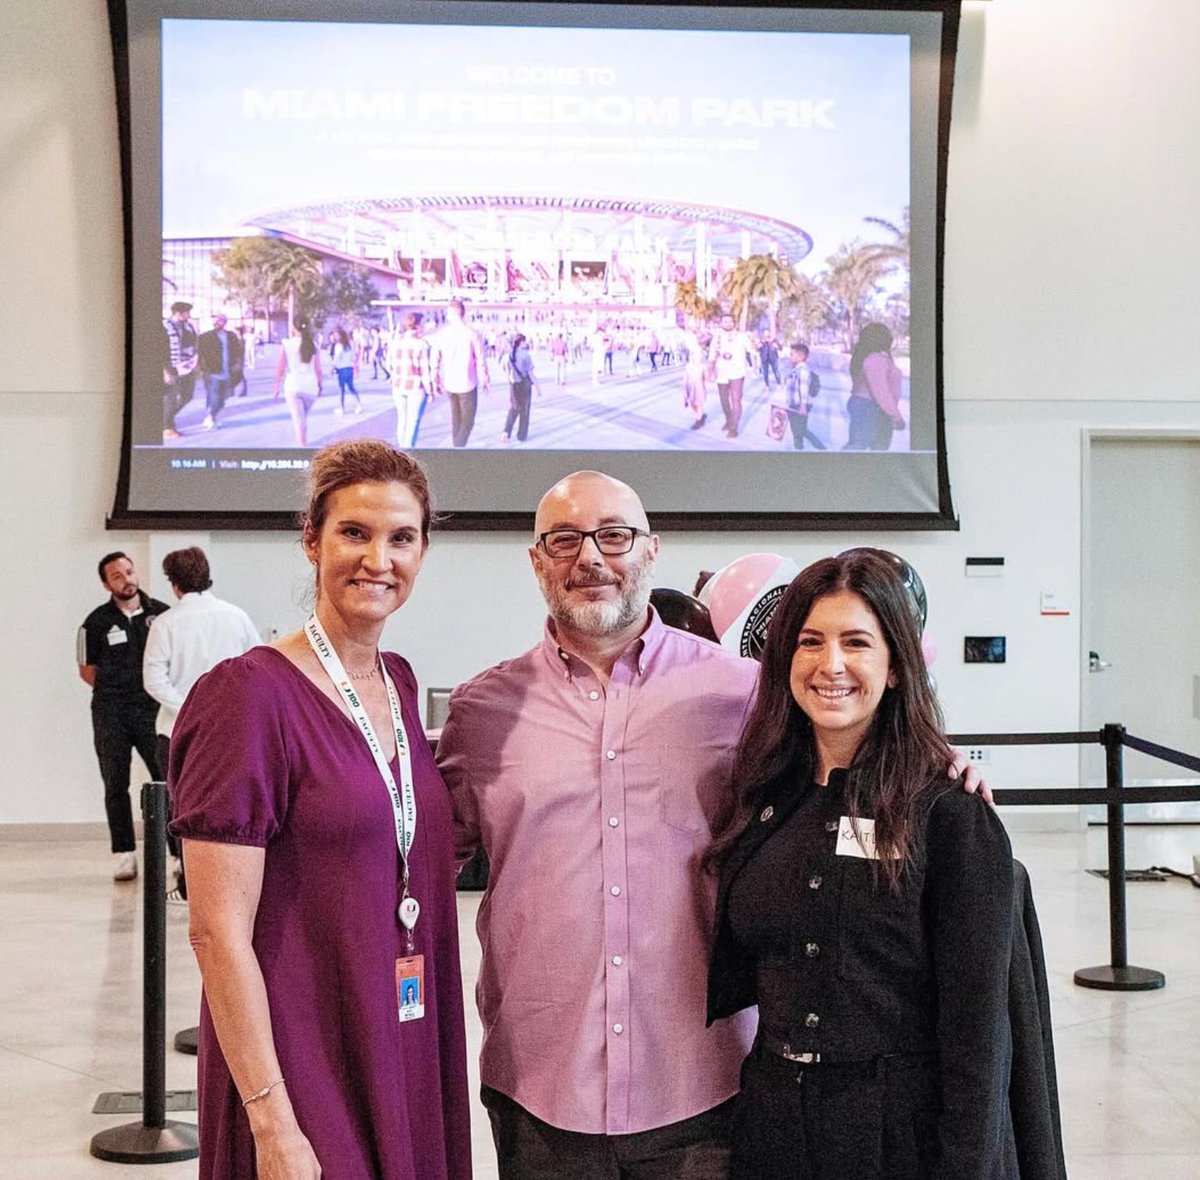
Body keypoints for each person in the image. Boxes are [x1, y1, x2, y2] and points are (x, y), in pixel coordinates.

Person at [168, 440, 470, 1179]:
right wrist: (271, 1121)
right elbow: (215, 932)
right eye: (355, 533)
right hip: (302, 1060)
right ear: (312, 540)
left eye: (402, 538)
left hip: (399, 1031)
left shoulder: (396, 682)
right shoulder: (248, 697)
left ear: (424, 552)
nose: (379, 559)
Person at [707, 551, 1016, 1179]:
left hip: (897, 1139)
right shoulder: (762, 799)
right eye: (810, 642)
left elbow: (979, 1039)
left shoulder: (950, 818)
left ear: (898, 667)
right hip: (772, 1128)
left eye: (857, 643)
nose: (832, 665)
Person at [142, 546, 261, 898]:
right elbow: (255, 669)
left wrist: (190, 707)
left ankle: (187, 884)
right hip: (229, 729)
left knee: (179, 806)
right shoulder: (236, 616)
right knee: (230, 802)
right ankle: (230, 884)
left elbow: (153, 679)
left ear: (174, 583)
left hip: (176, 729)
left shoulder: (165, 622)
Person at [77, 553, 170, 880]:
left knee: (166, 781)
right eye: (117, 576)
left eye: (129, 572)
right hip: (110, 713)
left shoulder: (162, 614)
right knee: (114, 783)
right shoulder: (94, 622)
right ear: (106, 584)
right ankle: (125, 854)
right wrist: (117, 689)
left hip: (152, 711)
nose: (126, 579)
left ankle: (177, 856)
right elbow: (87, 671)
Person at [433, 298, 489, 447]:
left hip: (450, 383)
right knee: (468, 420)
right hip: (467, 382)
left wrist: (435, 380)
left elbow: (435, 360)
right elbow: (481, 359)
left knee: (455, 417)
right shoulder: (472, 333)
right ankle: (459, 447)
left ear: (450, 313)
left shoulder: (442, 334)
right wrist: (485, 378)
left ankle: (456, 446)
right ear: (463, 314)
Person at [846, 322, 905, 451]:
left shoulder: (875, 358)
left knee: (875, 451)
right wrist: (896, 416)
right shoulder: (875, 360)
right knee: (858, 449)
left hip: (872, 408)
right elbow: (881, 392)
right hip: (870, 407)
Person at [273, 319, 323, 446]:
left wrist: (276, 388)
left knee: (298, 420)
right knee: (302, 419)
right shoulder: (314, 345)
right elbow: (318, 370)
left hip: (293, 386)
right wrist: (320, 385)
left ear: (294, 328)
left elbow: (280, 369)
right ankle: (303, 443)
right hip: (311, 389)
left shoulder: (287, 344)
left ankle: (301, 448)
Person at [390, 312, 434, 448]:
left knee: (402, 419)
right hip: (415, 386)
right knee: (413, 422)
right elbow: (425, 371)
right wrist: (430, 391)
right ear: (418, 325)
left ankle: (401, 450)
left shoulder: (396, 342)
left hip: (398, 385)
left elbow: (390, 364)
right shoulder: (421, 344)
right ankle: (407, 452)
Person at [707, 313, 755, 438]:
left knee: (736, 399)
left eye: (730, 321)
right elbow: (711, 356)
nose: (727, 324)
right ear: (721, 323)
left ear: (734, 323)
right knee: (724, 400)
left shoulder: (741, 337)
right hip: (722, 372)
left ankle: (734, 428)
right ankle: (729, 420)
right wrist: (709, 371)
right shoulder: (716, 338)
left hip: (737, 372)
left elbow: (752, 350)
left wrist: (755, 343)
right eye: (725, 321)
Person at [197, 312, 244, 431]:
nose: (215, 322)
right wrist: (203, 370)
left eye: (218, 320)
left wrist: (238, 363)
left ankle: (211, 416)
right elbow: (200, 355)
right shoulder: (205, 337)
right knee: (213, 397)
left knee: (224, 397)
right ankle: (210, 418)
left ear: (224, 322)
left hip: (228, 371)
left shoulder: (231, 336)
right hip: (213, 372)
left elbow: (238, 352)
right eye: (214, 320)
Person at [162, 300, 198, 441]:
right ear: (178, 313)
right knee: (170, 397)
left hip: (187, 366)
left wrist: (194, 363)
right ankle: (167, 427)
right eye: (187, 312)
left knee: (187, 396)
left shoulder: (188, 326)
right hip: (171, 367)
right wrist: (165, 371)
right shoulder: (165, 327)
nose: (189, 315)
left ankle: (164, 419)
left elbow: (194, 344)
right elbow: (159, 350)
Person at [782, 342, 826, 450]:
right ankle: (799, 449)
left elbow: (804, 388)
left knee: (801, 431)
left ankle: (822, 449)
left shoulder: (802, 370)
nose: (789, 357)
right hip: (794, 404)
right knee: (797, 431)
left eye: (792, 355)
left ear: (801, 357)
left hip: (800, 405)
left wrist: (803, 406)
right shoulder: (796, 369)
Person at [501, 333, 538, 444]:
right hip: (525, 383)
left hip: (514, 384)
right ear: (521, 342)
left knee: (513, 408)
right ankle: (522, 435)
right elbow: (531, 373)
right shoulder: (525, 355)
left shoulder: (508, 355)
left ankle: (506, 432)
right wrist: (538, 387)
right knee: (525, 410)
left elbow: (505, 370)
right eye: (525, 341)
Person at [329, 326, 362, 415]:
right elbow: (354, 357)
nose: (335, 337)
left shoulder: (338, 346)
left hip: (342, 369)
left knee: (341, 389)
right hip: (349, 368)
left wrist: (332, 368)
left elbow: (336, 358)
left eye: (336, 335)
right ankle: (358, 405)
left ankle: (342, 408)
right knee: (351, 388)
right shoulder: (348, 346)